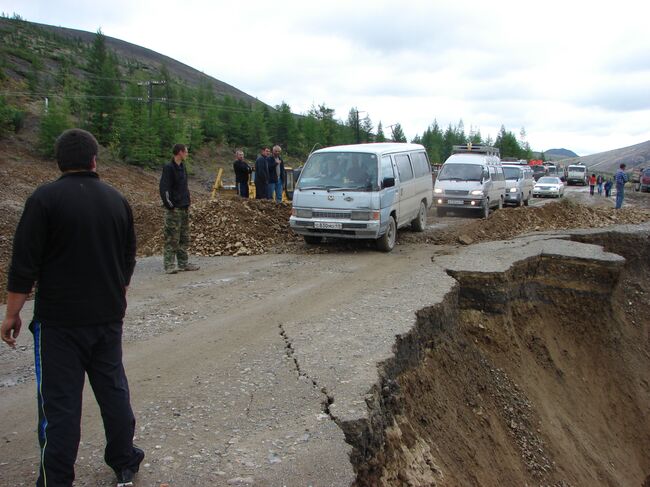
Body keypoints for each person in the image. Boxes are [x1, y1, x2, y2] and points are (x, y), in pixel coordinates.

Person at [1, 128, 144, 487]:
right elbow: (128, 257)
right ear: (94, 160)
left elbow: (24, 264)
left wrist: (11, 313)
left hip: (59, 325)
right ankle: (125, 461)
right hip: (108, 317)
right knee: (113, 391)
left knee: (59, 405)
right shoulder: (116, 200)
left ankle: (57, 479)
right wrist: (116, 290)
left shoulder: (45, 200)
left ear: (59, 161)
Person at [160, 143, 200, 274]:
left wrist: (187, 201)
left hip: (184, 207)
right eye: (186, 152)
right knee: (172, 237)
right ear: (180, 152)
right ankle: (169, 265)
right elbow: (164, 188)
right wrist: (170, 205)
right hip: (174, 209)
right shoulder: (169, 168)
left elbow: (184, 187)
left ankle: (183, 263)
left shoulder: (183, 167)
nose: (187, 154)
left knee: (184, 237)